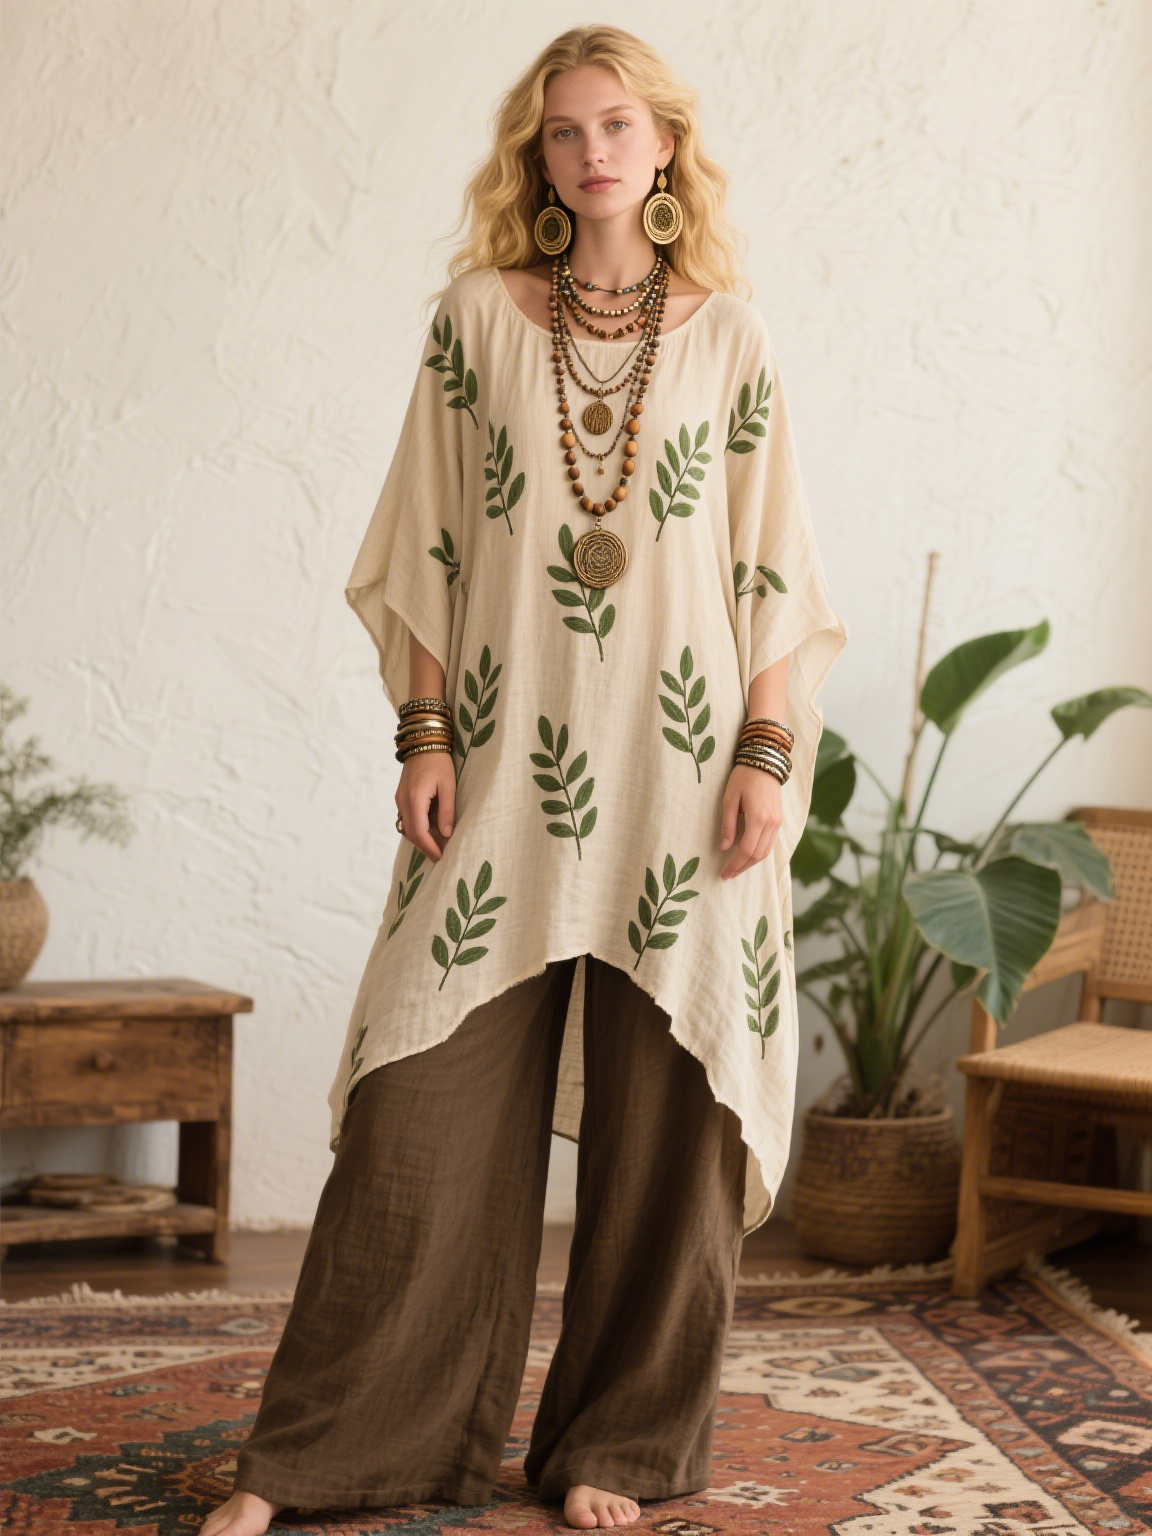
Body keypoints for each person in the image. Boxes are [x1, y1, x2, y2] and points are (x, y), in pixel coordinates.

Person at [200, 22, 848, 1536]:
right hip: (505, 762)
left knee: (671, 1129)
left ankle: (621, 1444)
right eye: (565, 131)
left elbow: (771, 570)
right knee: (417, 1107)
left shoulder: (731, 338)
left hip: (687, 777)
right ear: (537, 158)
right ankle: (318, 1459)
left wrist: (765, 756)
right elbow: (429, 540)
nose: (593, 151)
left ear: (666, 143)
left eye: (618, 124)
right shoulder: (478, 322)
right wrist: (423, 736)